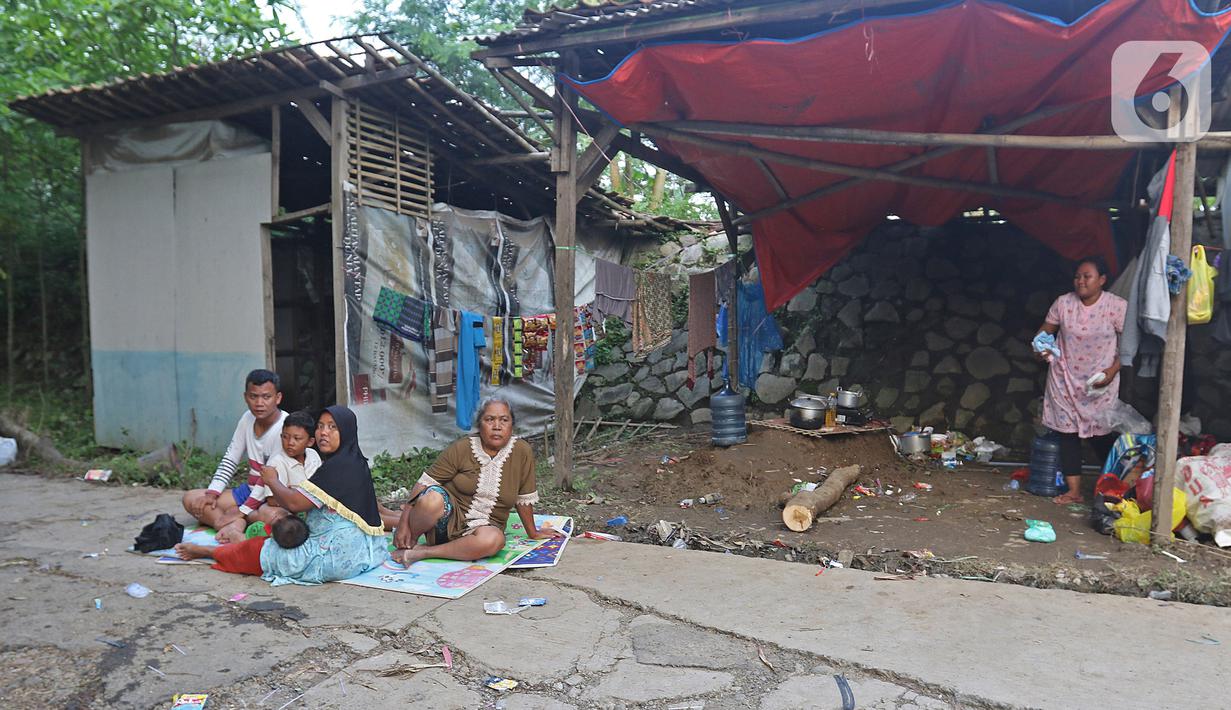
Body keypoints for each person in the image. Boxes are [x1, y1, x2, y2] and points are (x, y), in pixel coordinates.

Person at [175, 406, 389, 585]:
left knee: (262, 551)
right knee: (278, 528)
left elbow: (295, 504)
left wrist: (272, 481)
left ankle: (209, 552)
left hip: (336, 556)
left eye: (333, 427)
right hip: (368, 551)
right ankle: (235, 535)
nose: (324, 432)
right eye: (321, 426)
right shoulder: (353, 459)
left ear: (347, 432)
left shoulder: (335, 467)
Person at [392, 397, 561, 565]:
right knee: (432, 498)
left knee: (494, 540)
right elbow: (425, 482)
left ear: (512, 425)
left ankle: (423, 552)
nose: (497, 426)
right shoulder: (463, 447)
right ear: (479, 425)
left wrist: (533, 533)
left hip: (485, 528)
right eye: (489, 420)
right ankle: (408, 542)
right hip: (446, 522)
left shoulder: (522, 452)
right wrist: (403, 526)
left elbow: (524, 497)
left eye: (504, 420)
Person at [1036, 256, 1127, 505]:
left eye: (1087, 276)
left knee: (1101, 434)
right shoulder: (1063, 304)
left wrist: (1112, 371)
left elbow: (1129, 346)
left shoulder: (1116, 306)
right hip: (1064, 377)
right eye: (1077, 276)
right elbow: (1045, 333)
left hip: (1099, 380)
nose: (1081, 281)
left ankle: (1117, 483)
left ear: (1102, 280)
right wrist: (1042, 347)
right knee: (1068, 434)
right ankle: (1074, 491)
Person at [181, 369, 287, 542]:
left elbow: (268, 479)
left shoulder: (285, 427)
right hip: (248, 491)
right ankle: (229, 524)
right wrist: (212, 493)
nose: (259, 403)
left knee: (276, 518)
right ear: (245, 397)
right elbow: (230, 459)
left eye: (266, 397)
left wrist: (242, 510)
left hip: (271, 496)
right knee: (191, 499)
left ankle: (236, 519)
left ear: (278, 398)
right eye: (254, 397)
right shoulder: (247, 419)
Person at [239, 410, 322, 524]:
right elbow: (272, 500)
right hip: (290, 510)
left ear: (310, 441)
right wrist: (298, 499)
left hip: (312, 507)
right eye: (285, 437)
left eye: (297, 438)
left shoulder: (313, 455)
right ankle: (251, 519)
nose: (290, 443)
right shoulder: (277, 462)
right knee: (281, 519)